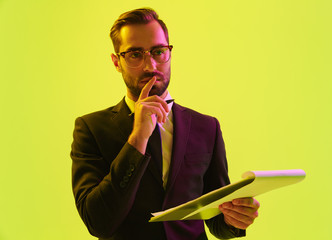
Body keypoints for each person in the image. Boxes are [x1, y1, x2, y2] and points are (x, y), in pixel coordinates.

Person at [71, 8, 260, 240]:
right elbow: (98, 222)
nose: (150, 65)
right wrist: (138, 138)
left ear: (169, 52)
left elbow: (216, 219)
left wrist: (234, 220)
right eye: (134, 54)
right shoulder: (91, 129)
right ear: (116, 62)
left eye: (158, 51)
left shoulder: (207, 128)